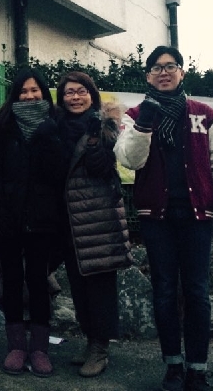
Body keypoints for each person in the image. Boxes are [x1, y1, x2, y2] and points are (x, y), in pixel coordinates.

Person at [114, 46, 213, 391]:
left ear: (182, 72)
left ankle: (197, 369)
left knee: (197, 291)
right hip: (157, 216)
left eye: (171, 66)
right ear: (147, 76)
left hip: (197, 214)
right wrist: (145, 124)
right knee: (165, 290)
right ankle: (173, 365)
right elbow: (130, 161)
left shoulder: (203, 114)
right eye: (156, 68)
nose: (164, 72)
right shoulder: (135, 114)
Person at [0, 68, 65, 378]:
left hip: (43, 219)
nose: (30, 96)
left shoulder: (55, 124)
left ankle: (40, 349)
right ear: (15, 95)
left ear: (44, 92)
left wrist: (49, 137)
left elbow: (58, 173)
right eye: (23, 91)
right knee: (12, 280)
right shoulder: (2, 127)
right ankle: (16, 346)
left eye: (35, 90)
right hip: (9, 217)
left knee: (39, 281)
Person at [54, 71, 133, 378]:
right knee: (78, 285)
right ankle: (90, 341)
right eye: (69, 92)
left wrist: (93, 138)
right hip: (69, 219)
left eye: (81, 91)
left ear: (92, 94)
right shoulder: (56, 126)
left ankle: (100, 348)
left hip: (97, 218)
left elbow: (101, 167)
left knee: (100, 286)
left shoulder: (106, 125)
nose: (75, 97)